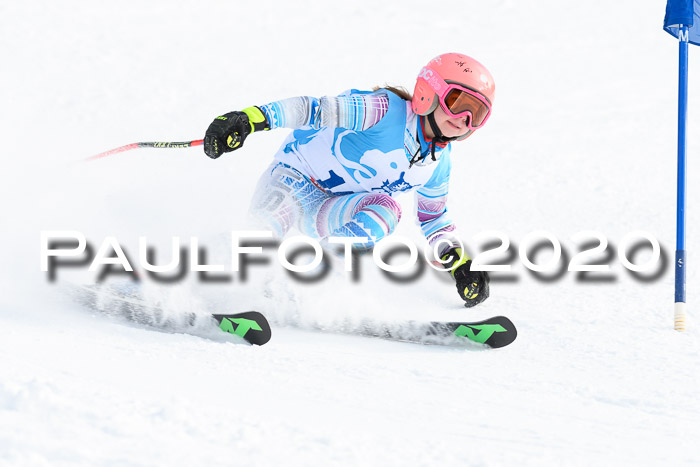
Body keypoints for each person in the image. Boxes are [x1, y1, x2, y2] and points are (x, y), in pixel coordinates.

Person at [203, 52, 493, 308]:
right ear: (428, 92)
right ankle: (205, 269)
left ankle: (308, 278)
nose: (464, 119)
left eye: (476, 113)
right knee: (259, 245)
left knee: (387, 209)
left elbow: (433, 220)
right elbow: (312, 110)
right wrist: (248, 119)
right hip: (292, 181)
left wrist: (461, 265)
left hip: (326, 210)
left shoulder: (437, 164)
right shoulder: (383, 111)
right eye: (458, 103)